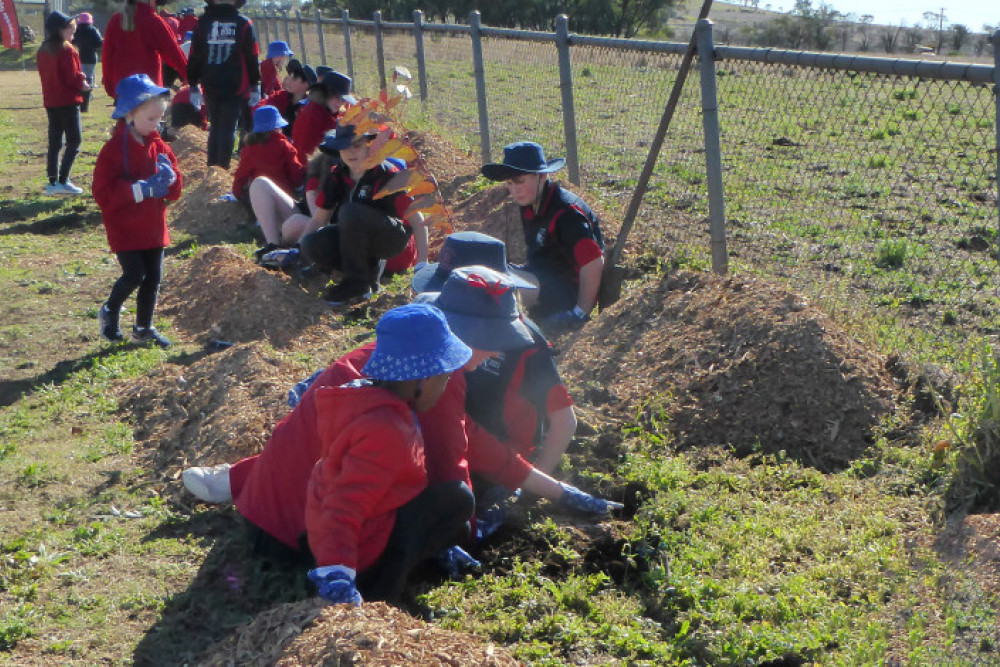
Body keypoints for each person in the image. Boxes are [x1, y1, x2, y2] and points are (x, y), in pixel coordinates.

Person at [182, 268, 620, 577]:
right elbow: (453, 470)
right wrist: (453, 540)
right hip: (309, 538)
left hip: (266, 515)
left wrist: (558, 490)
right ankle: (387, 579)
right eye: (491, 343)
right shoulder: (439, 380)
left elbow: (470, 439)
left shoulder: (395, 353)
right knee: (453, 501)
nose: (496, 354)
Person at [413, 232, 574, 475]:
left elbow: (564, 420)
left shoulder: (527, 345)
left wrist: (528, 486)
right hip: (444, 438)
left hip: (498, 459)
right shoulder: (435, 325)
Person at [92, 74, 183, 347]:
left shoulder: (159, 146)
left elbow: (175, 185)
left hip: (153, 224)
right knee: (134, 274)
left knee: (153, 277)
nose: (157, 125)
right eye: (151, 119)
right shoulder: (112, 151)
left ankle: (143, 328)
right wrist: (141, 189)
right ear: (130, 115)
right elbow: (102, 193)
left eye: (160, 119)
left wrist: (171, 182)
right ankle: (110, 310)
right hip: (125, 226)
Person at [298, 124, 428, 305]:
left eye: (356, 145)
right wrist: (299, 249)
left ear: (369, 145)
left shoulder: (386, 174)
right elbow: (320, 218)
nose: (350, 152)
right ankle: (362, 277)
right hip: (356, 236)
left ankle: (358, 284)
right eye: (344, 147)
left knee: (350, 212)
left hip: (391, 238)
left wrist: (422, 264)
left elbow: (417, 218)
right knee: (312, 243)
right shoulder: (337, 175)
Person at [481, 141, 605, 328]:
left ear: (542, 176)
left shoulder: (566, 214)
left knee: (496, 291)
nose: (513, 190)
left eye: (519, 181)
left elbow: (594, 262)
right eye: (509, 183)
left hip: (565, 290)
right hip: (540, 278)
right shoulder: (530, 204)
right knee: (482, 273)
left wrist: (579, 312)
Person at [186, 0, 260, 169]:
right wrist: (255, 84)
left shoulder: (203, 23)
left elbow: (195, 56)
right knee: (226, 127)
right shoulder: (243, 23)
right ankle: (221, 169)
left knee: (217, 125)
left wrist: (193, 82)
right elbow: (252, 57)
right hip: (235, 85)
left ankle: (213, 167)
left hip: (211, 83)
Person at [36, 11, 90, 196]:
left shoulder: (43, 49)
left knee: (55, 142)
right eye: (71, 30)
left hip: (51, 101)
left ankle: (52, 182)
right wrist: (83, 83)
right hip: (67, 100)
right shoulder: (67, 50)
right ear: (60, 30)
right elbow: (72, 77)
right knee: (75, 140)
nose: (73, 34)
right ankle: (63, 180)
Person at [102, 0, 188, 99]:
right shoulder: (153, 20)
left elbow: (107, 56)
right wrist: (189, 77)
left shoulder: (115, 20)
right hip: (149, 88)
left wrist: (110, 87)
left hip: (123, 89)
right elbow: (173, 53)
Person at [230, 105, 304, 217]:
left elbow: (241, 174)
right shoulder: (285, 146)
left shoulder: (250, 148)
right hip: (284, 194)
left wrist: (235, 193)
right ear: (276, 127)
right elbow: (295, 169)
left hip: (260, 197)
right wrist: (299, 186)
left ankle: (259, 219)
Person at [291, 69, 354, 162]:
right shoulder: (317, 116)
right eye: (337, 97)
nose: (341, 103)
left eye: (344, 100)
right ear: (325, 94)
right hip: (310, 169)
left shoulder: (314, 109)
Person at [255, 58, 315, 137]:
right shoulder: (282, 96)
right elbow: (261, 106)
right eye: (290, 77)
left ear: (306, 85)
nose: (289, 80)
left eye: (294, 79)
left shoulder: (310, 106)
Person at [71, 12, 102, 113]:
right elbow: (99, 42)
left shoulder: (76, 30)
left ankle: (81, 94)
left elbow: (72, 41)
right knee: (90, 76)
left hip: (79, 56)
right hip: (91, 57)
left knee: (81, 75)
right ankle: (88, 95)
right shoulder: (92, 30)